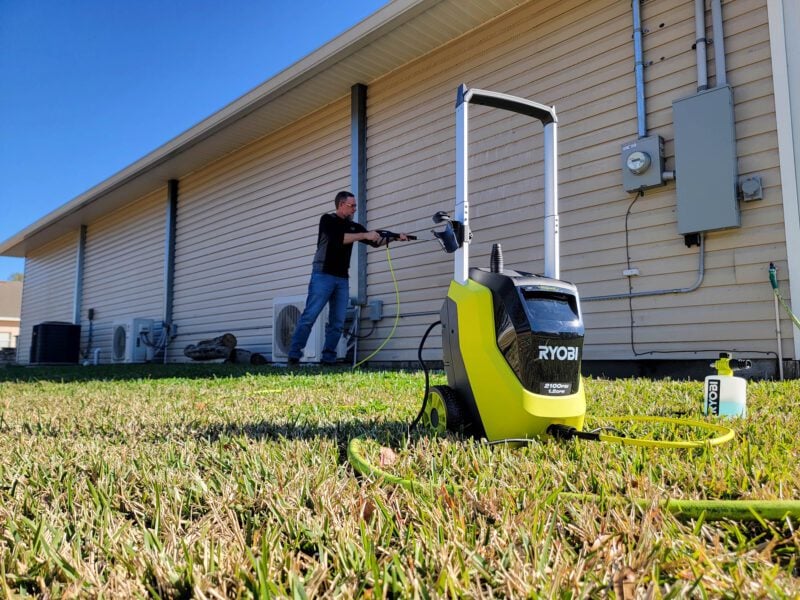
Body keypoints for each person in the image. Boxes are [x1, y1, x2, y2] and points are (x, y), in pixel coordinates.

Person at [287, 191, 410, 365]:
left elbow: (375, 242)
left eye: (355, 206)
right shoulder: (327, 220)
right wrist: (365, 235)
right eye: (352, 206)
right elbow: (338, 239)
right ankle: (294, 356)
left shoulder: (354, 227)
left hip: (342, 278)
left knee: (337, 322)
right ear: (341, 204)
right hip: (323, 274)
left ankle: (328, 359)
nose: (354, 209)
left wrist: (395, 237)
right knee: (310, 316)